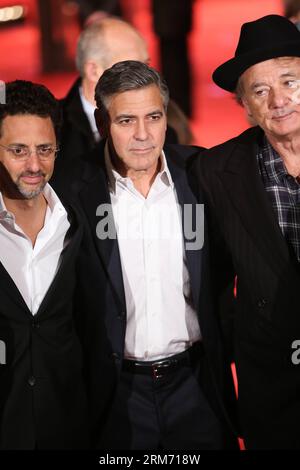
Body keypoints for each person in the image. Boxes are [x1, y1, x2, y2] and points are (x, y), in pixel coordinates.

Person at [70, 60, 238, 450]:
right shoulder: (74, 189)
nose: (143, 134)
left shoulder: (201, 174)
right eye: (126, 120)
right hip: (116, 395)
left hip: (198, 387)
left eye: (153, 117)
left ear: (167, 117)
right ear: (102, 123)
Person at [192, 15, 300, 449]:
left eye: (290, 81)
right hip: (273, 382)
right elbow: (212, 280)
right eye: (260, 90)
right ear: (246, 106)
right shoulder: (217, 171)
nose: (278, 100)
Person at [0, 80, 89, 449]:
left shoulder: (77, 222)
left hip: (69, 426)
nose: (34, 165)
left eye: (45, 149)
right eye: (18, 150)